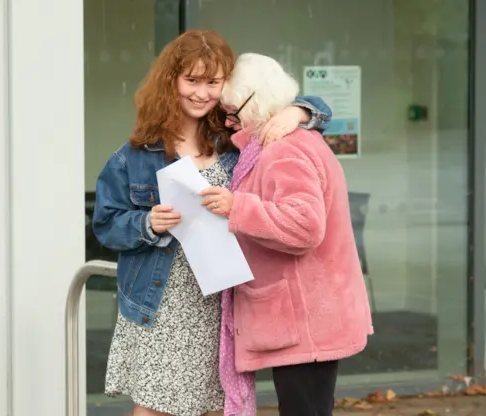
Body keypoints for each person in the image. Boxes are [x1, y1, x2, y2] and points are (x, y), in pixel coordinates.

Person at [92, 30, 332, 416]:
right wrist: (147, 223)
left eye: (212, 82)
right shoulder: (136, 155)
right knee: (155, 409)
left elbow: (318, 109)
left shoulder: (236, 139)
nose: (202, 93)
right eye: (192, 80)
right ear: (172, 80)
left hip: (222, 302)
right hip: (163, 302)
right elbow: (105, 224)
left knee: (218, 406)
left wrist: (298, 111)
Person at [200, 53, 373, 416]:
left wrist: (237, 207)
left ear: (257, 101)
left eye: (233, 110)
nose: (229, 121)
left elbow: (305, 227)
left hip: (306, 316)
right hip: (310, 313)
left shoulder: (283, 149)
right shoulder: (287, 140)